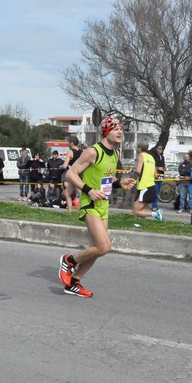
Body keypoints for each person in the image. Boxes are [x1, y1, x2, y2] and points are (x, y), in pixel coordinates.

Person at [59, 116, 136, 298]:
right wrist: (89, 190)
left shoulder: (115, 154)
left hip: (103, 206)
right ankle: (69, 260)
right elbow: (71, 173)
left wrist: (120, 183)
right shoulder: (93, 152)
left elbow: (107, 181)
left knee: (96, 249)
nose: (120, 133)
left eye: (121, 130)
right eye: (116, 129)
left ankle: (74, 282)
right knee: (104, 246)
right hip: (90, 204)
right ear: (106, 131)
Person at [132, 141, 163, 221]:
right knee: (142, 210)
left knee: (136, 212)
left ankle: (156, 213)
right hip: (151, 186)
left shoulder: (141, 156)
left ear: (139, 148)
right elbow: (156, 174)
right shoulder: (151, 157)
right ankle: (141, 224)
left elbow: (138, 171)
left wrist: (132, 171)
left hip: (144, 186)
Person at [61, 136, 83, 212]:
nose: (67, 144)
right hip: (80, 174)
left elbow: (64, 166)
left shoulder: (70, 152)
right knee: (67, 193)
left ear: (72, 143)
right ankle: (70, 213)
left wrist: (60, 166)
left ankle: (85, 211)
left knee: (81, 193)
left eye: (68, 142)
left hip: (74, 175)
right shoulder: (82, 152)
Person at [149, 144, 165, 210]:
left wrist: (164, 168)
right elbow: (152, 165)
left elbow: (163, 164)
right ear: (156, 149)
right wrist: (158, 168)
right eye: (159, 148)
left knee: (158, 191)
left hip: (161, 175)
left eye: (161, 148)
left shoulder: (162, 157)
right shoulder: (154, 156)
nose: (161, 150)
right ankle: (154, 205)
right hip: (155, 175)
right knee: (155, 190)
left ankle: (155, 204)